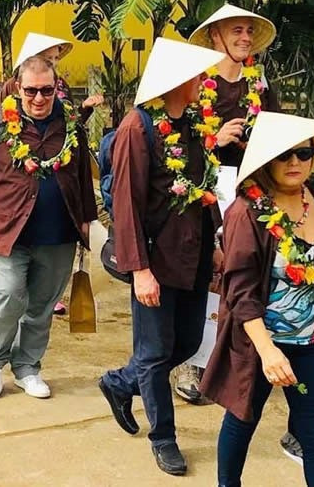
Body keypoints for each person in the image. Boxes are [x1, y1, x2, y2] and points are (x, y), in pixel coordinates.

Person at [95, 38, 225, 476]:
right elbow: (127, 206)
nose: (202, 82)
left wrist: (219, 242)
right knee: (153, 352)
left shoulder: (193, 126)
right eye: (196, 76)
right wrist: (141, 271)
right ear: (175, 82)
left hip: (192, 255)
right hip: (154, 259)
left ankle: (119, 383)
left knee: (186, 342)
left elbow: (205, 187)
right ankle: (164, 437)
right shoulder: (137, 129)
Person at [199, 112, 314, 487]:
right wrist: (268, 352)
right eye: (284, 155)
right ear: (266, 159)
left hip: (312, 342)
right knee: (242, 418)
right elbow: (241, 292)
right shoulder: (246, 212)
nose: (295, 162)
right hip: (257, 344)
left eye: (303, 153)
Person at [0, 55, 97, 400]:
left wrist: (85, 222)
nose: (39, 99)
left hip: (58, 233)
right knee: (7, 294)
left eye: (46, 91)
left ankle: (27, 367)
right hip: (9, 230)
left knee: (42, 305)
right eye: (31, 91)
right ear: (18, 88)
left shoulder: (70, 124)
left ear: (57, 88)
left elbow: (83, 176)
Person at [174, 3, 283, 403]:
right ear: (215, 35)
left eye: (249, 32)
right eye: (236, 30)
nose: (244, 38)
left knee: (248, 271)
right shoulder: (195, 86)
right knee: (210, 271)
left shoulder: (260, 85)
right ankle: (193, 361)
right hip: (206, 188)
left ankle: (243, 357)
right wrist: (214, 140)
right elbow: (175, 143)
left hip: (252, 188)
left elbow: (278, 133)